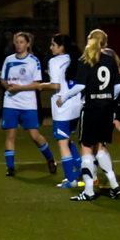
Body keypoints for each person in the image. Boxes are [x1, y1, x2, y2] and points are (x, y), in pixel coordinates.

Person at [58, 29, 120, 201]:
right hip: (107, 109)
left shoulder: (86, 60)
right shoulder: (110, 60)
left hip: (91, 109)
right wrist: (108, 99)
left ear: (90, 40)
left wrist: (63, 97)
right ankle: (114, 185)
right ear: (105, 43)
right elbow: (118, 87)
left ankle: (88, 191)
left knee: (87, 149)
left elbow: (80, 86)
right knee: (100, 147)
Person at [0, 32, 56, 177]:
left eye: (21, 42)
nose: (18, 45)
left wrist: (19, 88)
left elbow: (37, 84)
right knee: (11, 134)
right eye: (16, 42)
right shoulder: (8, 60)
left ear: (28, 44)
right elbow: (3, 79)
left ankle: (50, 158)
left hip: (28, 104)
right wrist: (7, 86)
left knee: (34, 136)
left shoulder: (34, 61)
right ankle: (10, 167)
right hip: (10, 102)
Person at [38, 34, 83, 188]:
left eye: (53, 45)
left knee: (62, 143)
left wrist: (43, 86)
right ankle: (81, 168)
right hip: (77, 105)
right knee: (66, 139)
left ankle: (71, 180)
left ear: (61, 47)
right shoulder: (75, 58)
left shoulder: (54, 61)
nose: (51, 48)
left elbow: (56, 86)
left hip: (63, 106)